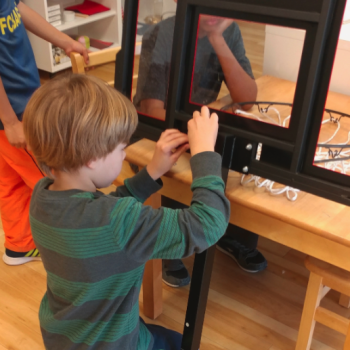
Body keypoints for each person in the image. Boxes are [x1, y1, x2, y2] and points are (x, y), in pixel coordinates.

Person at [22, 74, 230, 350]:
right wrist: (204, 152)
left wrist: (152, 171)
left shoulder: (43, 195)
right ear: (92, 159)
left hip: (65, 338)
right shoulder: (117, 222)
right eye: (121, 148)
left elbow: (103, 216)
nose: (124, 154)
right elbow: (207, 224)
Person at [134, 14, 267, 287]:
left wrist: (218, 37)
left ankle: (230, 234)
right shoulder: (165, 33)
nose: (214, 14)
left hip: (196, 123)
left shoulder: (227, 31)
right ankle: (169, 249)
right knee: (187, 167)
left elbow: (248, 99)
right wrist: (197, 136)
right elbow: (151, 109)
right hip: (158, 131)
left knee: (237, 161)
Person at [0, 0, 88, 265]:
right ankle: (83, 245)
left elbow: (17, 7)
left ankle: (20, 245)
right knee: (52, 177)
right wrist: (10, 121)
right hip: (13, 111)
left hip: (17, 103)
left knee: (11, 180)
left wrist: (65, 42)